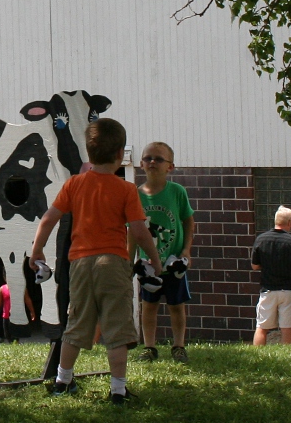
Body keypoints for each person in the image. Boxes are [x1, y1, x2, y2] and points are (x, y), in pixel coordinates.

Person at [30, 118, 162, 404]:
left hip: (79, 264)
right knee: (116, 328)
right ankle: (118, 390)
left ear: (88, 152)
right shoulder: (126, 189)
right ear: (120, 154)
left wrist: (37, 250)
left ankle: (62, 381)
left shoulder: (74, 184)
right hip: (113, 263)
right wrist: (155, 259)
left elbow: (49, 218)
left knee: (76, 324)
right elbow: (139, 230)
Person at [135, 141, 195, 363]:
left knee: (176, 306)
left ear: (170, 166)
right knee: (149, 306)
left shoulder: (177, 192)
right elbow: (132, 229)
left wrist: (186, 250)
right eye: (148, 158)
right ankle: (149, 347)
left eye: (159, 159)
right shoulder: (136, 195)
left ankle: (178, 345)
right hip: (148, 265)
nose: (152, 162)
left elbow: (188, 221)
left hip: (173, 262)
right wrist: (131, 258)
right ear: (141, 163)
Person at [250, 206, 291, 345]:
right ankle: (285, 354)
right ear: (290, 222)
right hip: (289, 290)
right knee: (287, 327)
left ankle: (257, 354)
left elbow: (255, 266)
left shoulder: (261, 239)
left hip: (268, 289)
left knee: (262, 327)